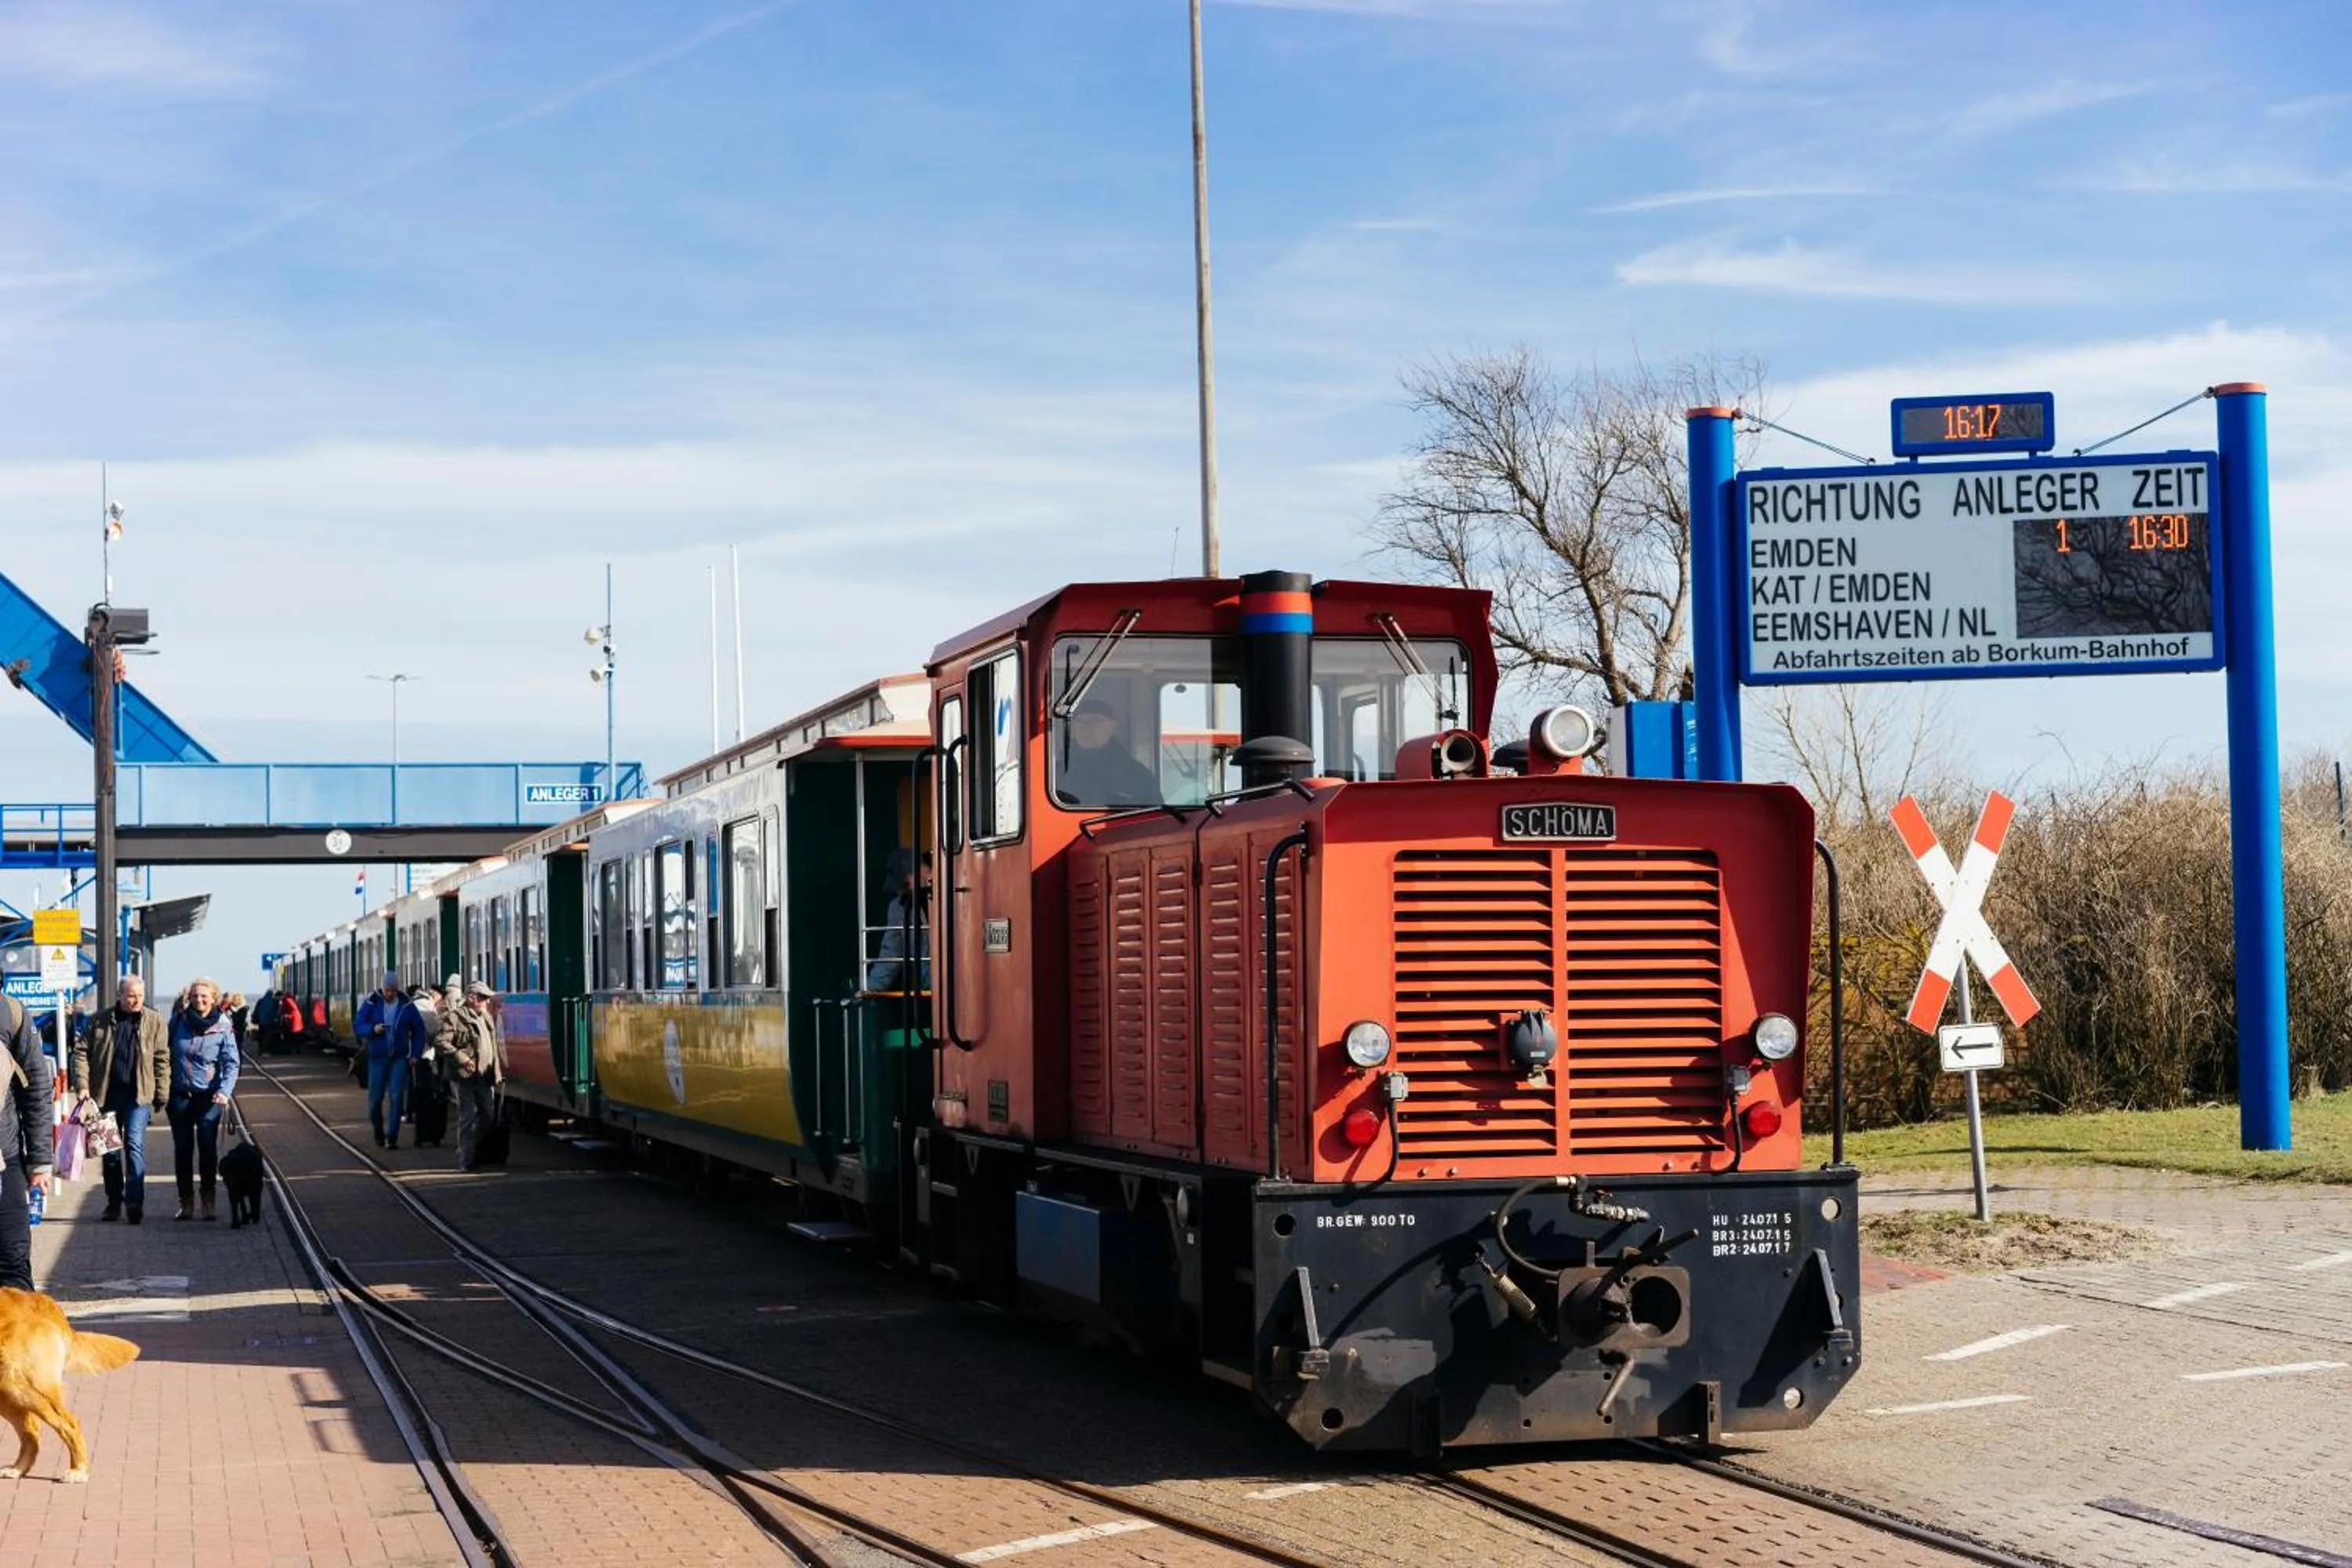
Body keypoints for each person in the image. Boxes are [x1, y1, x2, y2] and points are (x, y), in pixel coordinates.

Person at [69, 975, 169, 1225]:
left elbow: (161, 1058)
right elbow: (81, 1052)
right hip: (106, 1096)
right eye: (131, 996)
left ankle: (135, 1202)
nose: (136, 1001)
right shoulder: (100, 1021)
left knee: (134, 1145)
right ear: (119, 996)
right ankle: (114, 1202)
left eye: (140, 996)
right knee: (110, 1153)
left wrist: (162, 1093)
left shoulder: (154, 1021)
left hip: (138, 1097)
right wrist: (82, 1085)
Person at [165, 977, 240, 1221]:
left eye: (204, 996)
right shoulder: (178, 1022)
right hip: (179, 1096)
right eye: (195, 996)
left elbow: (231, 1062)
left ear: (214, 998)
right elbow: (163, 1054)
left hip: (209, 1097)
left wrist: (225, 1091)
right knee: (183, 1150)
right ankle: (185, 1202)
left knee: (207, 1148)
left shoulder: (223, 1025)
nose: (199, 1000)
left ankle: (209, 1200)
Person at [1, 990, 55, 1290]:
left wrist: (40, 1160)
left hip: (3, 1160)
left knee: (12, 1259)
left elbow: (35, 1089)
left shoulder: (10, 1012)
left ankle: (20, 1336)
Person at [1055, 695, 1160, 807]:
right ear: (1072, 729)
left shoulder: (1137, 775)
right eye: (1079, 721)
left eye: (1095, 721)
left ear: (1112, 727)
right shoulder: (1054, 774)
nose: (1086, 727)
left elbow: (1155, 817)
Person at [445, 982, 504, 1172]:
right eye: (483, 998)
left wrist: (497, 1072)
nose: (487, 1002)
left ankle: (473, 1149)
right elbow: (441, 1041)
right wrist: (460, 1057)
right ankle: (466, 1160)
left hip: (485, 1076)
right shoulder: (455, 1017)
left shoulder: (486, 1017)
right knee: (467, 1118)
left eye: (487, 998)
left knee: (487, 1116)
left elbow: (493, 1047)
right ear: (472, 998)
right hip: (465, 1076)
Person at [863, 848, 933, 992]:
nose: (900, 892)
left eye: (904, 885)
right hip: (930, 987)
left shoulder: (951, 895)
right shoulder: (899, 907)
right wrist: (870, 988)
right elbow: (892, 952)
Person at [356, 972, 407, 1149]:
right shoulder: (372, 1002)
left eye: (393, 990)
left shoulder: (405, 1003)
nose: (390, 994)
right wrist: (373, 1029)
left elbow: (417, 1028)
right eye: (387, 990)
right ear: (382, 988)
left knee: (396, 1095)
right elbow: (358, 1025)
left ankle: (392, 1137)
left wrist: (415, 1052)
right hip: (377, 1057)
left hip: (398, 1057)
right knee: (375, 1100)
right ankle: (378, 1130)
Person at [392, 984, 445, 1148]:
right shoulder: (427, 1008)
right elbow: (436, 1032)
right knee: (427, 1096)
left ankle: (418, 1136)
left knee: (414, 1093)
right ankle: (430, 1135)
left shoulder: (406, 1007)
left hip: (407, 1057)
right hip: (425, 1058)